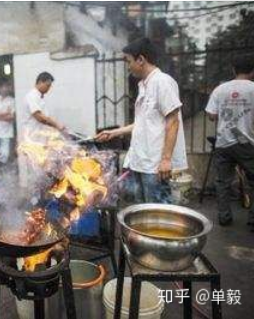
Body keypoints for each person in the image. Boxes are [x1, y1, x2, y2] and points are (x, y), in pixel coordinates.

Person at [96, 38, 188, 203]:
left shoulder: (162, 82)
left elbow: (173, 121)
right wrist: (114, 132)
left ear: (141, 60)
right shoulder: (144, 85)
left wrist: (166, 160)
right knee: (143, 215)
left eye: (128, 61)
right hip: (141, 162)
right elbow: (143, 123)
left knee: (158, 216)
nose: (128, 66)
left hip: (155, 166)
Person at [205, 53, 254, 230]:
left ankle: (224, 217)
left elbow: (211, 115)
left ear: (234, 69)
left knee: (222, 182)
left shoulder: (220, 89)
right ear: (252, 71)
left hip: (224, 143)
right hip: (247, 143)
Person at [19, 72, 66, 141]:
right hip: (31, 137)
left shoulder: (39, 97)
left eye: (50, 86)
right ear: (40, 82)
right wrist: (56, 124)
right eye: (47, 85)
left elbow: (45, 117)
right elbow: (39, 117)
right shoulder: (32, 96)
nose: (49, 88)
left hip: (38, 137)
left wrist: (56, 125)